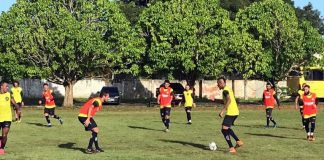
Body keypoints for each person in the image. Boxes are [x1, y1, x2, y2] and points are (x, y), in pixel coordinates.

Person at [217, 77, 243, 154]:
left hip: (231, 112)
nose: (218, 85)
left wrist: (222, 111)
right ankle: (238, 141)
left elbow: (229, 100)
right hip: (235, 112)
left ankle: (232, 148)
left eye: (218, 83)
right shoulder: (228, 88)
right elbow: (228, 99)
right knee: (226, 129)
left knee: (224, 129)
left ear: (222, 83)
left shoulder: (225, 91)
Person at [0, 81, 20, 154]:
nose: (8, 88)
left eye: (8, 86)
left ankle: (1, 148)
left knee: (4, 135)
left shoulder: (9, 95)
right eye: (6, 86)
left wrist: (18, 109)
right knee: (2, 136)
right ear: (1, 86)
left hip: (7, 118)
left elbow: (15, 103)